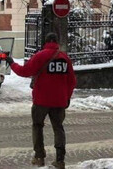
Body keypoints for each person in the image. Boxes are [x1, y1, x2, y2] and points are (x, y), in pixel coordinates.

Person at [6, 33, 76, 169]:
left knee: (38, 126)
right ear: (57, 42)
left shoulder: (40, 56)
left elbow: (25, 71)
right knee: (58, 128)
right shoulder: (65, 58)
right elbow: (72, 81)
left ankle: (39, 157)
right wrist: (67, 97)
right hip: (59, 101)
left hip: (41, 100)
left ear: (46, 42)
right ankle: (60, 160)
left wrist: (12, 63)